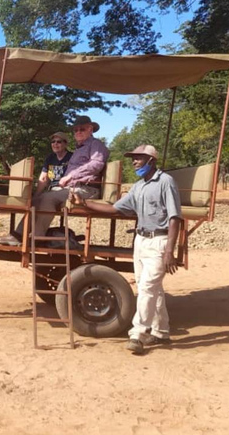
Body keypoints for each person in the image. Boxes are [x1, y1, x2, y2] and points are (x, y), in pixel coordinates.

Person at [75, 144, 181, 355]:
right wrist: (85, 203)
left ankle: (138, 335)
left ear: (151, 160)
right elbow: (114, 208)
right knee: (149, 287)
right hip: (140, 240)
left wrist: (170, 250)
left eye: (138, 158)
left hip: (158, 241)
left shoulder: (165, 182)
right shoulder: (138, 186)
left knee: (148, 288)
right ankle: (161, 332)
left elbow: (174, 217)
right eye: (133, 158)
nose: (134, 162)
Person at [0, 116, 109, 245]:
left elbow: (97, 164)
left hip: (87, 189)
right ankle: (17, 235)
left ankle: (37, 238)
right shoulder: (78, 149)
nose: (78, 132)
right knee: (37, 199)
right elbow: (45, 177)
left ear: (90, 129)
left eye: (82, 129)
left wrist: (70, 176)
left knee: (47, 198)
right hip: (73, 188)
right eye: (75, 130)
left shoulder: (96, 144)